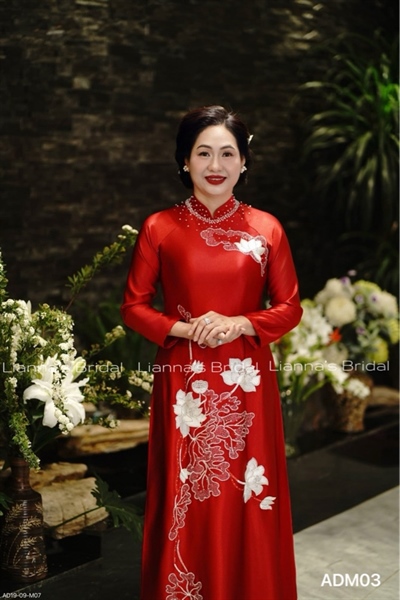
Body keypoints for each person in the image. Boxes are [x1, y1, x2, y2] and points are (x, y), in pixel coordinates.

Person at [121, 105, 303, 600]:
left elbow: (289, 308)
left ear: (244, 161)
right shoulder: (159, 227)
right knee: (187, 492)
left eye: (228, 153)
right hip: (185, 383)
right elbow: (133, 307)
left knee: (247, 490)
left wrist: (240, 322)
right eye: (203, 153)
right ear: (185, 160)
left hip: (247, 380)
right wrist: (189, 329)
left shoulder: (267, 229)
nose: (215, 165)